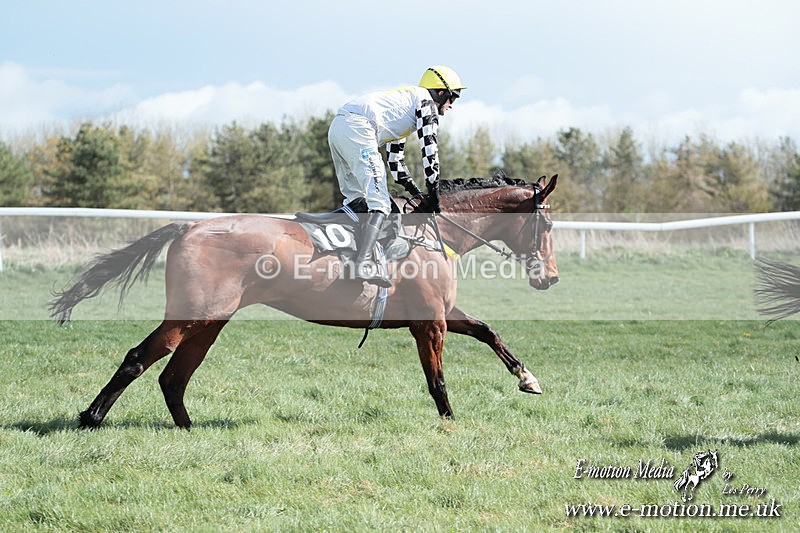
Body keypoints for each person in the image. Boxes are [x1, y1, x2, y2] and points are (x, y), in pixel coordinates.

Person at [328, 65, 466, 287]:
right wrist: (434, 194)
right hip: (359, 128)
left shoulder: (405, 110)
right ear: (441, 93)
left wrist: (416, 192)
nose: (451, 106)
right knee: (380, 203)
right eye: (453, 98)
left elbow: (396, 162)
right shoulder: (426, 104)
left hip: (339, 128)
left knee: (357, 201)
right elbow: (430, 151)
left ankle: (341, 256)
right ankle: (362, 263)